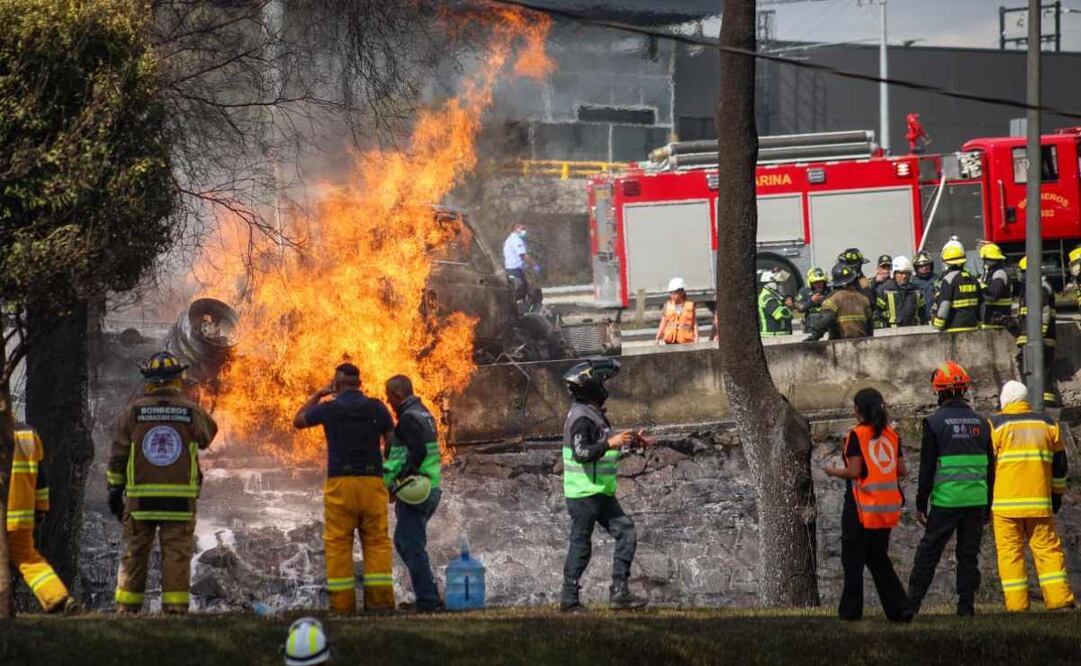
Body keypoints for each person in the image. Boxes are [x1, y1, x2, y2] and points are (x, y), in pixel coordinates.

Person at [108, 351, 218, 613]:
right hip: (179, 500)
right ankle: (175, 612)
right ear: (178, 379)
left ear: (148, 381)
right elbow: (207, 436)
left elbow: (118, 455)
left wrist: (114, 490)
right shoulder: (190, 411)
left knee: (134, 554)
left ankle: (127, 611)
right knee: (176, 555)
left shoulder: (132, 412)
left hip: (139, 500)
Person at [294, 362, 395, 614]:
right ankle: (380, 604)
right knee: (377, 543)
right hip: (373, 483)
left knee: (338, 544)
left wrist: (318, 394)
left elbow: (298, 421)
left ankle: (342, 607)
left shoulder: (329, 408)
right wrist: (390, 473)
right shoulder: (377, 407)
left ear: (336, 385)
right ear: (359, 383)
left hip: (341, 484)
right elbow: (392, 441)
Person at [559, 358, 648, 612]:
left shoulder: (594, 415)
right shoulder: (581, 418)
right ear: (591, 387)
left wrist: (630, 442)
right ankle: (569, 600)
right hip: (583, 494)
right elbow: (582, 453)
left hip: (601, 492)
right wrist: (611, 443)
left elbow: (606, 449)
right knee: (581, 545)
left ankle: (619, 593)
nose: (605, 387)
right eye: (601, 382)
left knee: (626, 531)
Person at [906, 362, 992, 617]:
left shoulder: (934, 422)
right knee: (968, 556)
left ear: (939, 392)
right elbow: (991, 468)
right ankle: (966, 608)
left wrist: (921, 503)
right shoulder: (982, 422)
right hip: (976, 500)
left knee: (928, 553)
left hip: (947, 501)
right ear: (963, 390)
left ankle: (911, 606)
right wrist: (988, 503)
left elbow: (927, 468)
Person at [824, 388, 913, 623]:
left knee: (853, 561)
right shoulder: (892, 436)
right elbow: (901, 470)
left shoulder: (857, 435)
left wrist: (832, 470)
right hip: (885, 509)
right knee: (878, 559)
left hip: (860, 508)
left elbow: (854, 471)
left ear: (857, 410)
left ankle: (850, 613)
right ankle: (900, 608)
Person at [989, 380, 1075, 612]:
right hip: (1039, 503)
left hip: (1005, 506)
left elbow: (988, 466)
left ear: (1004, 400)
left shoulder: (995, 425)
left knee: (1010, 555)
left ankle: (1017, 607)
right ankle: (1060, 601)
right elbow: (1060, 465)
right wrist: (1056, 496)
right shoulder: (1048, 424)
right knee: (1047, 550)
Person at [383, 375, 443, 612]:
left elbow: (416, 453)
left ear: (398, 395)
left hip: (418, 491)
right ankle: (430, 592)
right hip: (431, 487)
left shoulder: (408, 419)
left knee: (411, 545)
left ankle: (428, 600)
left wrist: (399, 482)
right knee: (404, 542)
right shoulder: (424, 413)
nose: (389, 403)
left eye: (389, 399)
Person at [8, 424, 79, 614]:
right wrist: (41, 509)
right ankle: (57, 598)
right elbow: (41, 478)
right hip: (21, 515)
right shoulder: (28, 434)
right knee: (27, 558)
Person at [1014, 257, 1058, 406]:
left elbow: (1044, 312)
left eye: (1022, 272)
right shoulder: (1034, 287)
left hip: (1041, 339)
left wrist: (1038, 337)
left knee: (1040, 369)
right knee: (1035, 368)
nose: (1020, 275)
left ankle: (1042, 403)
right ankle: (1040, 401)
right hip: (1037, 338)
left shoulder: (1040, 287)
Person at [803, 263, 873, 341]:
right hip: (862, 343)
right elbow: (870, 325)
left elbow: (825, 321)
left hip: (840, 344)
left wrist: (814, 337)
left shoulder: (833, 298)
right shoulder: (863, 299)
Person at [931, 239, 982, 333]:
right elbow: (980, 303)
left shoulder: (948, 280)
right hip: (973, 327)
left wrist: (937, 327)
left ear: (946, 262)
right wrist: (979, 323)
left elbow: (944, 305)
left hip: (954, 329)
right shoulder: (973, 279)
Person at [874, 256, 926, 327]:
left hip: (913, 332)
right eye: (901, 273)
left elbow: (923, 314)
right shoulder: (884, 290)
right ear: (894, 274)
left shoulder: (916, 291)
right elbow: (877, 314)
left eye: (906, 273)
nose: (904, 276)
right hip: (890, 333)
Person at [978, 243, 1013, 329]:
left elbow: (993, 295)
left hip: (998, 319)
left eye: (984, 259)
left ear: (989, 259)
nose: (983, 262)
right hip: (992, 318)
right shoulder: (991, 273)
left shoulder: (999, 274)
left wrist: (981, 286)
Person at [655, 277, 698, 344]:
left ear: (682, 292)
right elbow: (663, 323)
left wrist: (696, 339)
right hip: (670, 342)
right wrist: (657, 338)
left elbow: (694, 324)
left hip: (686, 342)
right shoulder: (667, 306)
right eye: (670, 293)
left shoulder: (690, 306)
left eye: (674, 293)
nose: (672, 296)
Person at [503, 223, 538, 303]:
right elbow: (522, 255)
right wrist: (534, 264)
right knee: (522, 292)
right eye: (522, 229)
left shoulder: (509, 239)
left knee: (519, 291)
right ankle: (522, 311)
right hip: (515, 270)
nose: (524, 231)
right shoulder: (516, 240)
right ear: (516, 229)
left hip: (509, 270)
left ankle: (520, 308)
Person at [757, 269, 793, 337]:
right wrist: (789, 308)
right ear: (771, 284)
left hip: (779, 336)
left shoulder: (776, 296)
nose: (782, 286)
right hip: (771, 336)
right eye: (779, 284)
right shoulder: (767, 297)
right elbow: (780, 314)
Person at [796, 267, 830, 331]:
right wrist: (811, 301)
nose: (819, 284)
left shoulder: (829, 291)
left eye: (821, 282)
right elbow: (799, 308)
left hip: (828, 326)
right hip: (811, 326)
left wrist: (826, 300)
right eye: (816, 282)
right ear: (810, 283)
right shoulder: (804, 291)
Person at [911, 251, 939, 321]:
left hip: (936, 319)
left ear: (931, 265)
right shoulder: (912, 283)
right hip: (919, 320)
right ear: (916, 267)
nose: (924, 268)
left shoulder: (938, 279)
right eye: (920, 266)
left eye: (926, 265)